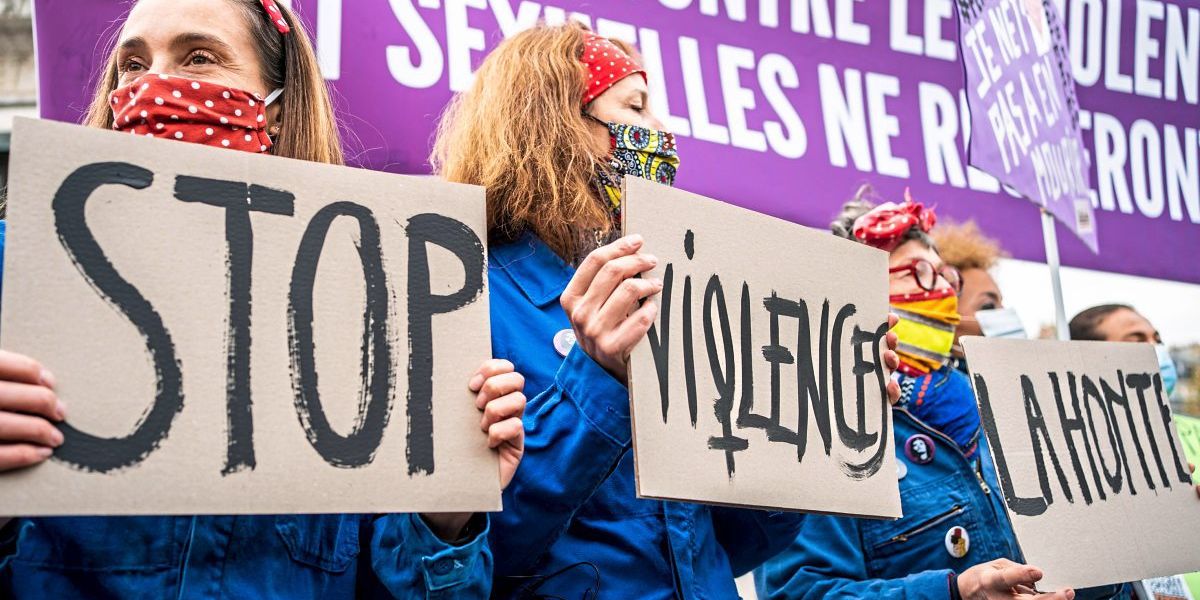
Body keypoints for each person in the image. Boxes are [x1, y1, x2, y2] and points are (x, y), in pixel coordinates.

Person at [0, 1, 524, 597]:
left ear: (274, 107)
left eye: (200, 58)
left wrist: (443, 514)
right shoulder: (18, 267)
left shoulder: (370, 301)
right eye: (133, 64)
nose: (153, 84)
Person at [431, 22, 902, 599]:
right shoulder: (467, 298)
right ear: (558, 127)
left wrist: (815, 421)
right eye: (636, 107)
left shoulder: (678, 295)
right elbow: (464, 555)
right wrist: (596, 377)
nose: (662, 132)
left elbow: (734, 542)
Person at [755, 187, 1102, 600]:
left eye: (946, 276)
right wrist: (953, 593)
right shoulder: (819, 433)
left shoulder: (1012, 409)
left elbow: (1073, 567)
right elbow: (799, 592)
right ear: (852, 290)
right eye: (917, 272)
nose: (940, 289)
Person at [932, 220, 1010, 374]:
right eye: (988, 305)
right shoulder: (926, 391)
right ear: (943, 315)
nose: (1003, 314)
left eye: (1001, 304)